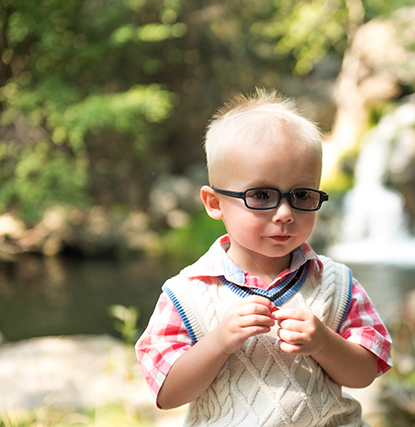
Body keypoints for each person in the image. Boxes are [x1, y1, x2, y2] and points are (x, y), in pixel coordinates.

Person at [135, 89, 392, 427]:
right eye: (260, 195)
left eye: (301, 195)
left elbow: (364, 374)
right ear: (214, 203)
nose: (285, 213)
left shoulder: (335, 283)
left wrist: (324, 342)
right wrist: (218, 342)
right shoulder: (186, 293)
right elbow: (167, 394)